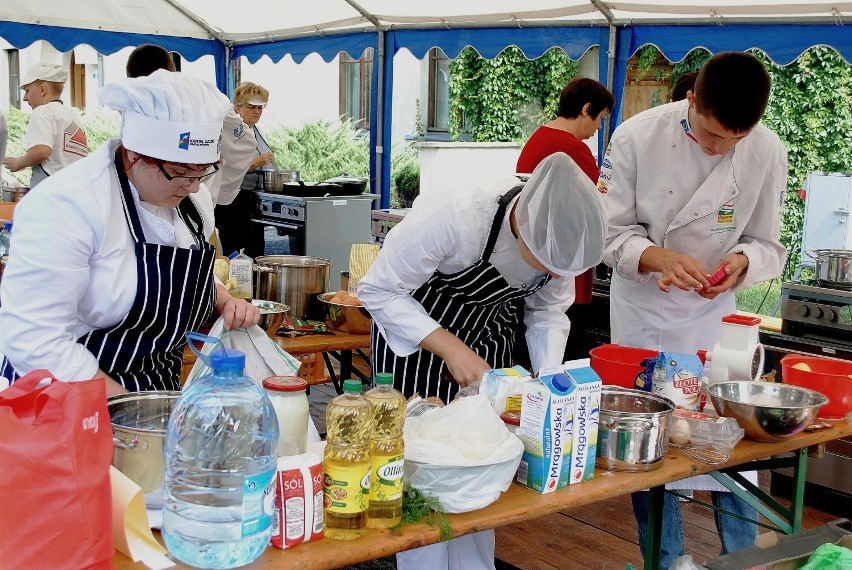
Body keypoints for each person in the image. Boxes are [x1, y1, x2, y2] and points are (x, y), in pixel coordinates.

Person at [359, 151, 606, 570]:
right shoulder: (457, 215)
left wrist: (546, 382)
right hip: (418, 339)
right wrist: (451, 349)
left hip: (489, 343)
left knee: (480, 467)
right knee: (425, 473)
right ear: (522, 221)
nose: (549, 272)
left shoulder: (563, 235)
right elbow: (379, 291)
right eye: (543, 261)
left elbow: (546, 312)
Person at [601, 51, 787, 568]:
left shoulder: (767, 150)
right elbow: (607, 234)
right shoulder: (635, 137)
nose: (719, 147)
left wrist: (743, 261)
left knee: (731, 442)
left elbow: (770, 244)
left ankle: (744, 558)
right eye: (710, 135)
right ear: (690, 101)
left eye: (734, 140)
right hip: (646, 313)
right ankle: (666, 560)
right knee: (651, 441)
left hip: (714, 319)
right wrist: (655, 256)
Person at [0, 70, 260, 397]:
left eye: (203, 171)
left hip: (157, 393)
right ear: (133, 155)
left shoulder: (194, 199)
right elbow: (34, 340)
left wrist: (222, 298)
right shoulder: (67, 205)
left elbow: (184, 270)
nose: (194, 185)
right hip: (65, 401)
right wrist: (130, 410)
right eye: (180, 173)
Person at [516, 76, 614, 362]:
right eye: (599, 120)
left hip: (532, 256)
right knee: (562, 342)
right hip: (561, 256)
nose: (597, 129)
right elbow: (600, 202)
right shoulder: (570, 148)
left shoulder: (539, 137)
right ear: (586, 109)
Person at [125, 44, 256, 216]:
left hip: (194, 208)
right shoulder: (131, 108)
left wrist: (210, 181)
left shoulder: (207, 106)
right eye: (178, 171)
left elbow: (243, 144)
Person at [215, 81, 275, 258]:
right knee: (232, 247)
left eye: (260, 108)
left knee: (254, 247)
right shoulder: (228, 130)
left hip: (251, 196)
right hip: (230, 198)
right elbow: (225, 166)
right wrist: (256, 162)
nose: (256, 112)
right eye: (251, 107)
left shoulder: (258, 130)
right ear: (238, 107)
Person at [3, 63, 88, 188]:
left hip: (52, 192)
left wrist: (19, 163)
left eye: (27, 91)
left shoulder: (43, 112)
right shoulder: (72, 118)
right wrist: (26, 159)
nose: (25, 98)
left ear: (43, 89)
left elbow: (42, 150)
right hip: (76, 190)